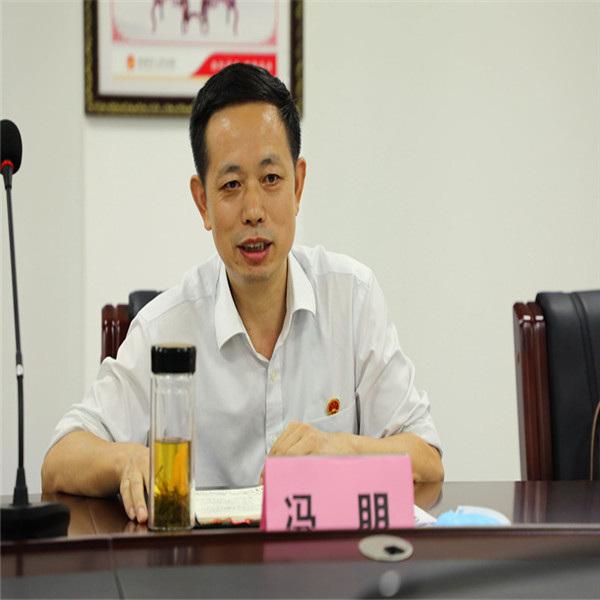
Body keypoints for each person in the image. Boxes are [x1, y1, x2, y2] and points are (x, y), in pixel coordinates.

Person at [42, 64, 443, 524]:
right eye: (231, 185)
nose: (254, 210)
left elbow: (427, 457)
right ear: (203, 202)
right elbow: (59, 460)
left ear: (298, 185)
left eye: (271, 179)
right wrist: (125, 459)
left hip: (328, 563)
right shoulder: (163, 327)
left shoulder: (351, 298)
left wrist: (342, 449)